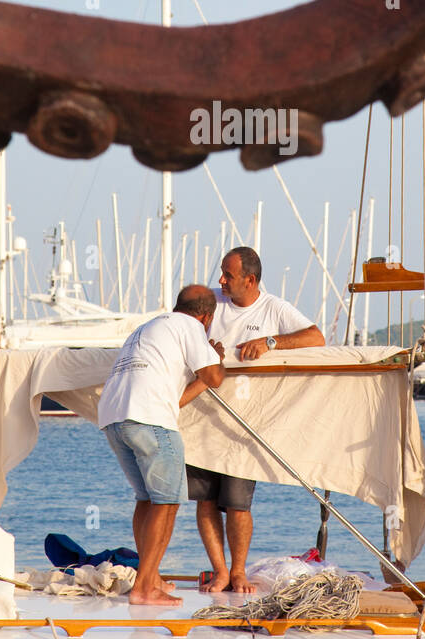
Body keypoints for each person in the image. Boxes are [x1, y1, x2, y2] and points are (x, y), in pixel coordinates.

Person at [187, 246, 324, 593]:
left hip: (244, 422)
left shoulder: (273, 308)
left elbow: (316, 337)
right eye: (221, 272)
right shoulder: (211, 302)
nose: (220, 280)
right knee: (205, 501)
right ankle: (219, 572)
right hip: (201, 415)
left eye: (228, 275)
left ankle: (237, 572)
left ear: (249, 280)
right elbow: (179, 327)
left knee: (237, 503)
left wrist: (270, 342)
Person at [98, 285, 225, 606]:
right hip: (150, 418)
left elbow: (178, 398)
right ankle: (143, 588)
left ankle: (150, 576)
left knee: (146, 499)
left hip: (114, 417)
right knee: (167, 502)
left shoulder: (151, 327)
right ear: (206, 317)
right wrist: (217, 357)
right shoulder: (192, 327)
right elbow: (214, 376)